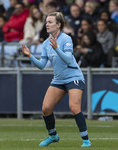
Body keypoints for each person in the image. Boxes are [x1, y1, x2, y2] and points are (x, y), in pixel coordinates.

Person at [21, 12, 91, 147]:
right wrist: (30, 56)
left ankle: (86, 140)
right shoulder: (46, 43)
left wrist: (57, 48)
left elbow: (69, 59)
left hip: (73, 77)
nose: (47, 24)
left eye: (50, 22)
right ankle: (53, 136)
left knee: (74, 107)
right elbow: (42, 66)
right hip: (59, 80)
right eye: (46, 22)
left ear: (58, 25)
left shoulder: (66, 39)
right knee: (46, 108)